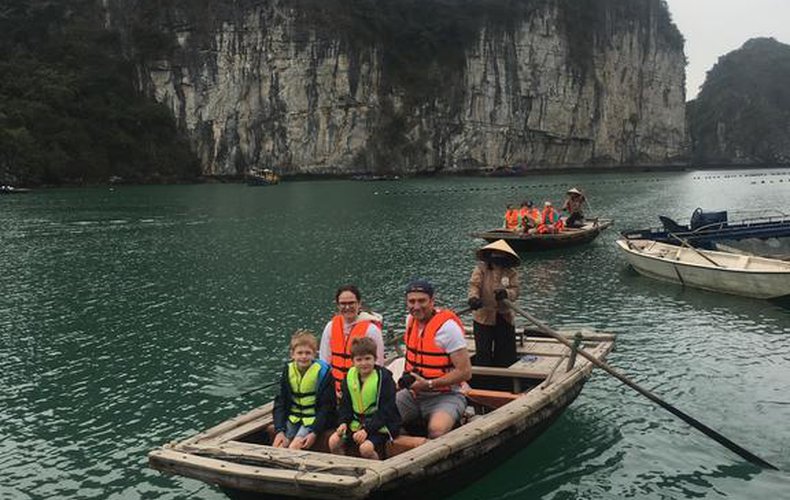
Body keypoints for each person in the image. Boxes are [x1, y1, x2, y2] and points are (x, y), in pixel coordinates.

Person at [396, 280, 472, 439]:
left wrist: (430, 384)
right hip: (413, 394)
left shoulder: (448, 329)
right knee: (382, 421)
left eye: (422, 301)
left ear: (432, 301)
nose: (416, 306)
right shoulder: (409, 321)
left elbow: (465, 372)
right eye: (411, 301)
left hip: (446, 395)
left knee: (437, 430)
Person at [328, 337, 400, 459]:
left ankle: (376, 470)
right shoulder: (349, 378)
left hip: (381, 425)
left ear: (375, 359)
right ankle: (343, 467)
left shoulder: (385, 379)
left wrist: (367, 430)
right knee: (333, 441)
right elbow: (345, 405)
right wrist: (343, 423)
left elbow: (386, 410)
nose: (363, 363)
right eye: (359, 360)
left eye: (368, 359)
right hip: (356, 423)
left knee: (365, 449)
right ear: (353, 361)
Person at [272, 330, 336, 450]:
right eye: (299, 353)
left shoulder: (324, 373)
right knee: (277, 446)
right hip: (294, 418)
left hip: (313, 420)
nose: (303, 356)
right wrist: (279, 430)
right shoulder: (288, 371)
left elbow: (327, 407)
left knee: (294, 447)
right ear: (292, 354)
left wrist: (314, 432)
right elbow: (280, 402)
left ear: (314, 354)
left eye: (308, 353)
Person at [319, 285, 385, 394]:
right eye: (343, 304)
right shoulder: (330, 327)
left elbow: (378, 364)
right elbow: (324, 360)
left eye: (351, 303)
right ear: (338, 305)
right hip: (336, 389)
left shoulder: (371, 330)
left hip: (361, 390)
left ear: (359, 304)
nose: (347, 307)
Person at [467, 239, 521, 367]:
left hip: (504, 316)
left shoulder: (511, 272)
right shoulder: (481, 269)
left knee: (505, 352)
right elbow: (474, 285)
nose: (498, 260)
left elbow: (516, 290)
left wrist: (506, 293)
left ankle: (503, 380)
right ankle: (485, 379)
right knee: (483, 350)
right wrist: (473, 298)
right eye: (495, 256)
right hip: (483, 316)